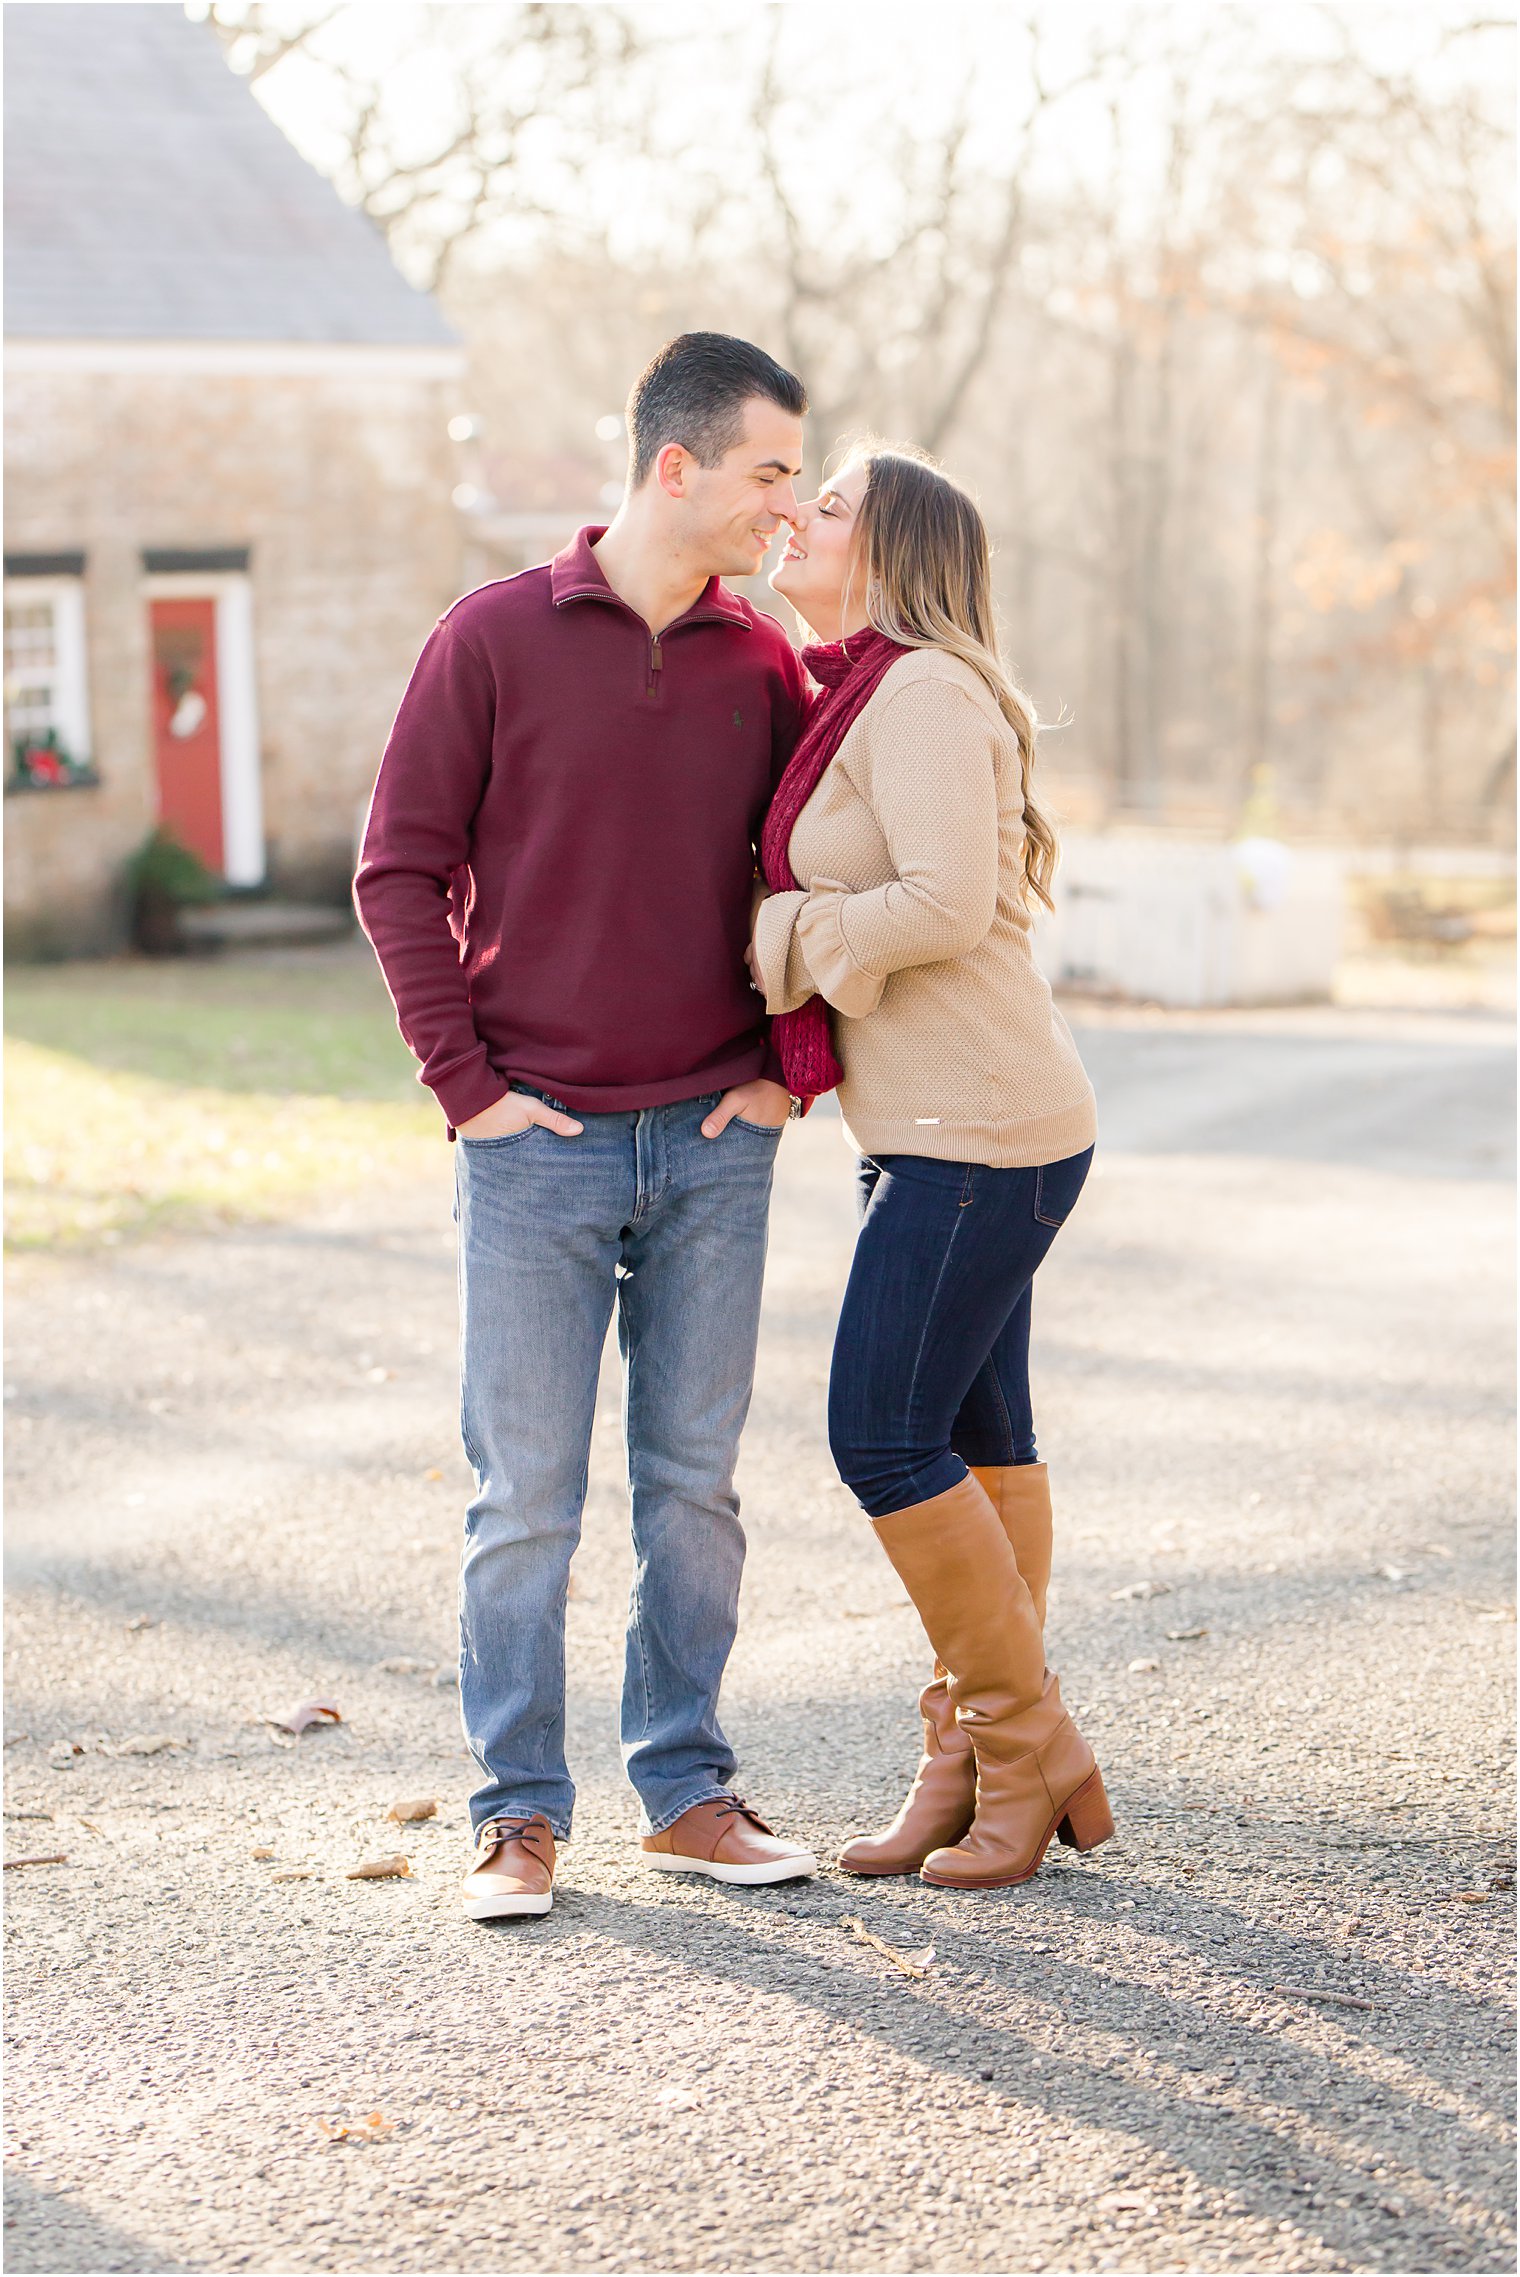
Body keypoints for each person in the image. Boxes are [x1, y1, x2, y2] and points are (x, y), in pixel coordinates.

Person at [356, 333, 821, 1920]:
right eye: (769, 472)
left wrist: (784, 1074)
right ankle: (518, 1814)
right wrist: (470, 1092)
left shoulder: (763, 663)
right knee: (524, 1499)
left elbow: (809, 884)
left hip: (711, 1141)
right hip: (536, 1153)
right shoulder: (488, 638)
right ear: (674, 466)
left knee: (695, 1487)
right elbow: (397, 869)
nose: (789, 503)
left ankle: (684, 1788)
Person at [750, 445, 1113, 1890]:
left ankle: (1024, 1754)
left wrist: (781, 940)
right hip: (948, 1132)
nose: (796, 515)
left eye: (826, 504)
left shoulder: (920, 693)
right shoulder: (869, 689)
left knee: (880, 1435)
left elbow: (947, 902)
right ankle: (975, 1765)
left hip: (983, 1136)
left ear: (890, 552)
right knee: (977, 1445)